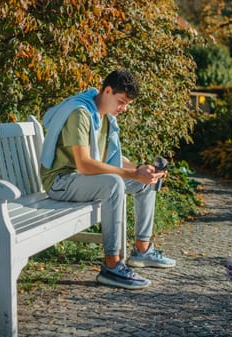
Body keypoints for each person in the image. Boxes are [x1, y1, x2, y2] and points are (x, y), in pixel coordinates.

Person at [40, 69, 176, 289]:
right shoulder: (81, 113)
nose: (122, 109)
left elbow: (110, 159)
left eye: (126, 105)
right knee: (114, 183)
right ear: (107, 90)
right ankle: (112, 267)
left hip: (83, 181)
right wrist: (132, 174)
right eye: (121, 102)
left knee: (146, 181)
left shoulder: (102, 116)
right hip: (61, 182)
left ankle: (142, 250)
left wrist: (142, 170)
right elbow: (84, 164)